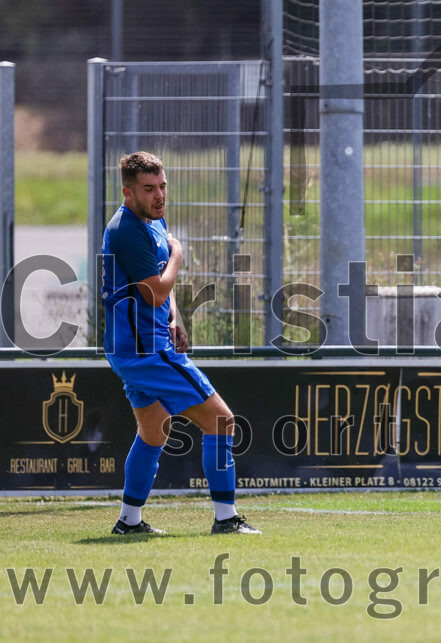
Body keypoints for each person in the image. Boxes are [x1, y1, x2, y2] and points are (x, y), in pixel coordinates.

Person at [103, 151, 259, 535]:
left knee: (153, 430)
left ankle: (129, 522)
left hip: (134, 347)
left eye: (162, 187)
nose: (159, 196)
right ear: (128, 193)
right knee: (221, 420)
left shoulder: (152, 221)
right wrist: (178, 255)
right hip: (145, 350)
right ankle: (226, 519)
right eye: (148, 189)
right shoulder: (128, 229)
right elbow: (155, 290)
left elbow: (159, 293)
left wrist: (177, 317)